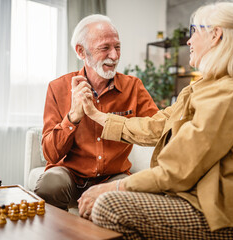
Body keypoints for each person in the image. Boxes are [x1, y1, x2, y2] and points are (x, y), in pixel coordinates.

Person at [78, 2, 233, 240]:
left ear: (216, 35)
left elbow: (179, 168)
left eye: (194, 32)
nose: (189, 41)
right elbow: (155, 127)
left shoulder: (229, 94)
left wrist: (113, 186)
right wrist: (95, 114)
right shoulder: (199, 89)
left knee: (109, 205)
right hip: (196, 200)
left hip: (230, 216)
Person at [34, 14, 158, 210]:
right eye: (105, 48)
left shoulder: (133, 87)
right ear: (81, 51)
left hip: (113, 177)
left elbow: (158, 129)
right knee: (50, 184)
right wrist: (73, 117)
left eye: (117, 47)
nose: (115, 56)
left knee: (132, 197)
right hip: (69, 176)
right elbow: (50, 154)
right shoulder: (58, 87)